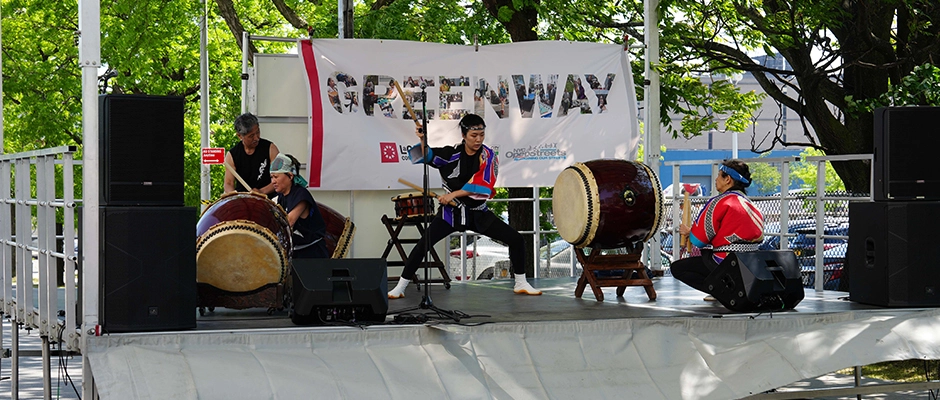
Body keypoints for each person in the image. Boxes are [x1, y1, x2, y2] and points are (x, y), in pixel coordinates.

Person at [387, 114, 542, 299]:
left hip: (477, 213)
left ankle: (521, 283)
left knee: (516, 239)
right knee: (423, 244)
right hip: (451, 213)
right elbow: (427, 155)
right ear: (463, 134)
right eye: (473, 135)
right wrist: (422, 139)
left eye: (481, 135)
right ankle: (400, 287)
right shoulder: (451, 154)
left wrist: (453, 194)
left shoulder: (488, 155)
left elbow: (482, 184)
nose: (478, 139)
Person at [672, 159, 764, 300]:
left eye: (719, 175)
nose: (715, 179)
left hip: (726, 261)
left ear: (728, 180)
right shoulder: (752, 205)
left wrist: (690, 232)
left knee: (678, 268)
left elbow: (698, 240)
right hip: (752, 262)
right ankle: (726, 288)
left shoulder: (720, 202)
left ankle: (720, 291)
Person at [269, 153, 329, 259]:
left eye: (276, 177)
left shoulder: (301, 195)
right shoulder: (280, 197)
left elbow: (288, 222)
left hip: (313, 254)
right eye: (271, 177)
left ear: (290, 176)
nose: (273, 181)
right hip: (296, 252)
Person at [224, 113, 280, 196]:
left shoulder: (270, 149)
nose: (256, 138)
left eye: (258, 132)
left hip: (269, 199)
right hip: (243, 200)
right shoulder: (232, 155)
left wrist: (261, 192)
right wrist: (234, 196)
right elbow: (228, 183)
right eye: (251, 136)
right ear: (240, 136)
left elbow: (280, 177)